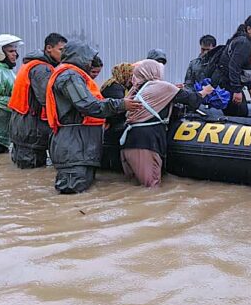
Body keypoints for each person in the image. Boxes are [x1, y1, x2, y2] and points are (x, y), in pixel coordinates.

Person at [45, 41, 137, 194]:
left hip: (81, 147)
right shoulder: (69, 76)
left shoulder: (74, 76)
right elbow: (88, 105)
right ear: (79, 57)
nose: (90, 62)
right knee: (71, 193)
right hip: (74, 147)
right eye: (88, 58)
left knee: (82, 193)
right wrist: (121, 105)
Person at [120, 60, 214, 188]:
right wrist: (205, 92)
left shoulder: (137, 89)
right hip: (146, 144)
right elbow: (191, 99)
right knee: (151, 189)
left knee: (133, 187)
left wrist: (174, 88)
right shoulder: (162, 87)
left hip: (129, 142)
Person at [8, 32, 67, 168]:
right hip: (31, 130)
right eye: (61, 50)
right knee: (31, 175)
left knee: (22, 175)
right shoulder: (42, 69)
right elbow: (48, 100)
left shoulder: (32, 64)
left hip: (21, 127)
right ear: (48, 48)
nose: (64, 54)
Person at [210, 14, 251, 117]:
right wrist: (236, 90)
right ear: (249, 29)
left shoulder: (246, 41)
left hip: (228, 83)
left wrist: (250, 87)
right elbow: (234, 66)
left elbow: (246, 68)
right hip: (227, 84)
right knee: (240, 114)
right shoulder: (244, 43)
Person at [100, 63, 135, 172]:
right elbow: (118, 109)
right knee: (114, 155)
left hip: (109, 126)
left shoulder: (115, 85)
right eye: (131, 76)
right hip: (113, 127)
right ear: (124, 74)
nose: (132, 79)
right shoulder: (115, 87)